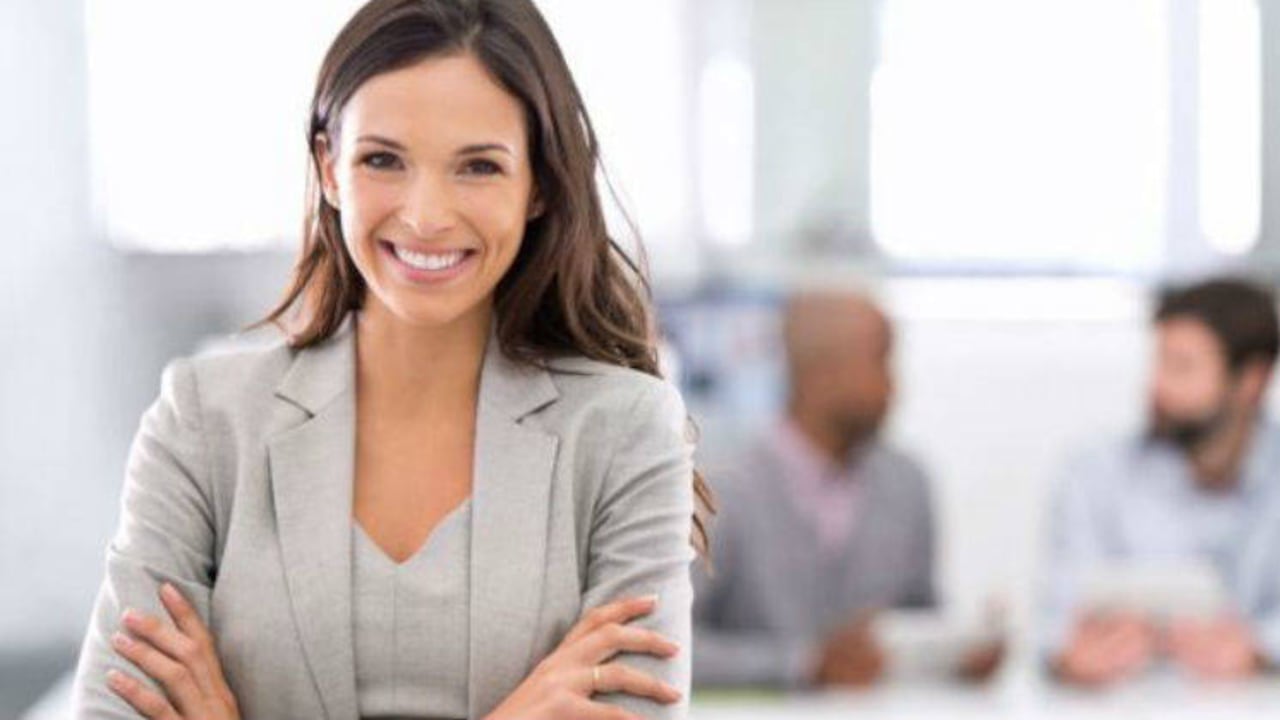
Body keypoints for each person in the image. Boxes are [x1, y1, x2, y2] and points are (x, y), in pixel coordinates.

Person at [69, 1, 715, 718]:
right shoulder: (205, 418)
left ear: (538, 184)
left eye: (478, 166)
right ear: (329, 167)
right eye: (382, 159)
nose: (426, 215)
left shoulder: (625, 429)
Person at [692, 291, 1000, 689]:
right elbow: (675, 649)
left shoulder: (907, 483)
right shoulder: (721, 487)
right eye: (881, 360)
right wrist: (802, 665)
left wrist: (958, 656)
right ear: (822, 370)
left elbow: (920, 624)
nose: (894, 385)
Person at [1044, 277, 1280, 686]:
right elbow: (1050, 625)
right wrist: (1069, 656)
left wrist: (1260, 649)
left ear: (1251, 380)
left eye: (1182, 367)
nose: (1158, 385)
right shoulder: (1095, 474)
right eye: (1158, 362)